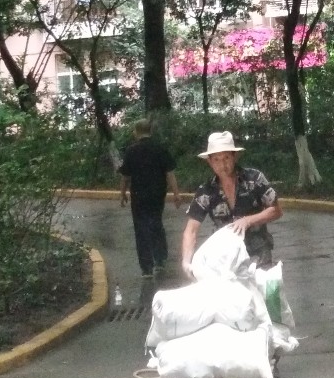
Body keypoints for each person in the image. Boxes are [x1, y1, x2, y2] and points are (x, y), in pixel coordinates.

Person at [181, 130, 282, 277]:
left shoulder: (254, 178)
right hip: (225, 262)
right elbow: (191, 230)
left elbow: (276, 210)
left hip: (259, 257)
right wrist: (186, 261)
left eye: (226, 158)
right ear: (209, 161)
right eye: (216, 159)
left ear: (235, 156)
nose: (222, 164)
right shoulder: (206, 191)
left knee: (263, 289)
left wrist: (248, 220)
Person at [119, 119, 180, 280]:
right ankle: (160, 259)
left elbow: (125, 176)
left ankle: (146, 268)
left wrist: (122, 193)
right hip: (157, 195)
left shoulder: (131, 151)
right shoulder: (160, 148)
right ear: (150, 131)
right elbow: (170, 173)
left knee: (141, 229)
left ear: (136, 132)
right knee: (156, 224)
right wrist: (176, 194)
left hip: (138, 195)